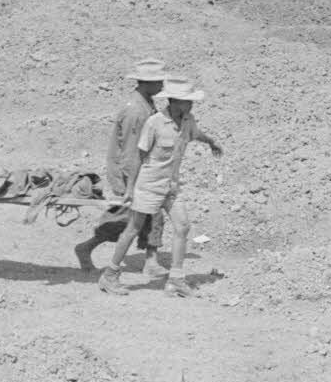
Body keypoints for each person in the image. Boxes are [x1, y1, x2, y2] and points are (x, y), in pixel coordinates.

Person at [98, 78, 222, 298]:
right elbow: (139, 156)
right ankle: (110, 275)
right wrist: (130, 189)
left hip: (171, 186)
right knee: (133, 228)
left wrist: (211, 142)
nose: (191, 105)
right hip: (149, 185)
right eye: (187, 101)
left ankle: (175, 280)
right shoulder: (154, 123)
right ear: (174, 101)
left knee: (182, 227)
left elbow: (196, 134)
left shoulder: (187, 120)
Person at [73, 59, 168, 274]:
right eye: (158, 81)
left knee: (148, 214)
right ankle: (87, 247)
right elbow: (130, 153)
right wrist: (130, 186)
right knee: (133, 216)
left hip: (139, 170)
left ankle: (150, 260)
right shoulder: (136, 111)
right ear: (146, 83)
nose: (162, 86)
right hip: (130, 172)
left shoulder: (146, 104)